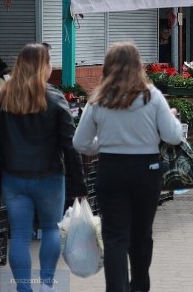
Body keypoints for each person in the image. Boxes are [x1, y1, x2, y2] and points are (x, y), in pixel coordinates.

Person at [73, 41, 183, 292]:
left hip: (111, 169)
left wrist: (103, 145)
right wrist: (173, 118)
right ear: (138, 65)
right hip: (147, 170)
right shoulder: (152, 96)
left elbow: (80, 142)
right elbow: (173, 137)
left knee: (114, 235)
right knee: (141, 234)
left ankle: (117, 288)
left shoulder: (98, 99)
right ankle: (140, 285)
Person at [0, 43, 86, 292]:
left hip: (13, 177)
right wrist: (79, 183)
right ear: (43, 66)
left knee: (20, 235)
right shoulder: (55, 99)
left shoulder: (3, 97)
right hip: (50, 177)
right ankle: (46, 284)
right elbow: (70, 144)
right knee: (50, 229)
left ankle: (23, 288)